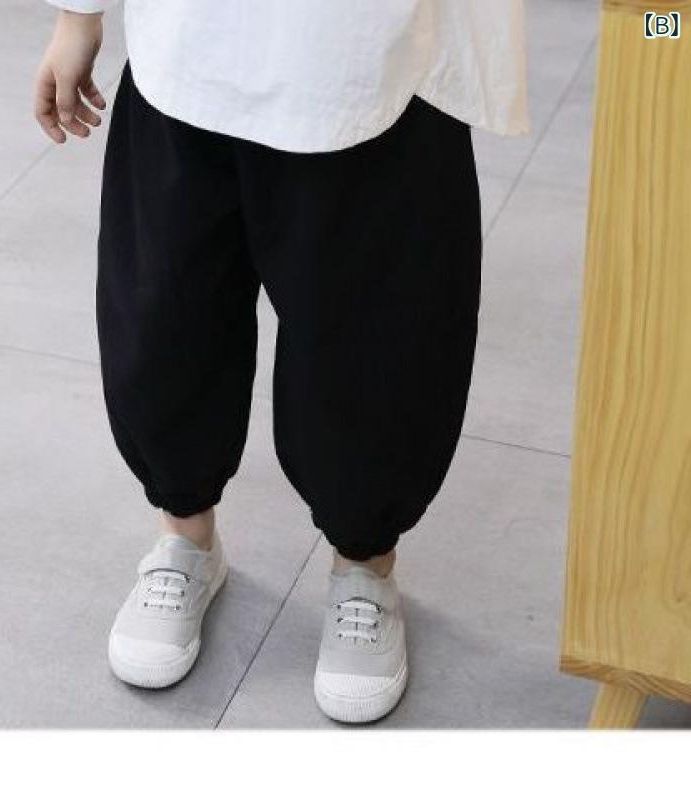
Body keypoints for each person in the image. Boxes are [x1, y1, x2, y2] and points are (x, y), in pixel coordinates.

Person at [34, 0, 529, 724]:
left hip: (372, 53)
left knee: (375, 335)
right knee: (170, 313)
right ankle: (185, 535)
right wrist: (78, 16)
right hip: (188, 41)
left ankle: (365, 565)